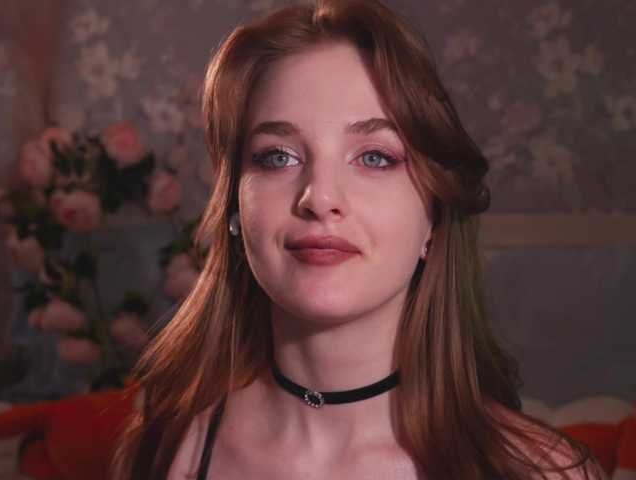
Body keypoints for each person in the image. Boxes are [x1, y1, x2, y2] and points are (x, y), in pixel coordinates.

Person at [114, 1, 604, 479]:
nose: (320, 197)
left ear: (434, 216)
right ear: (234, 207)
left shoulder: (539, 472)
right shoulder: (169, 448)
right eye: (278, 156)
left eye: (374, 157)